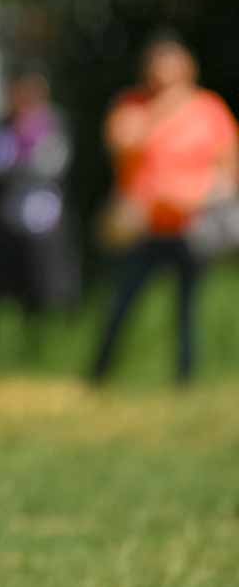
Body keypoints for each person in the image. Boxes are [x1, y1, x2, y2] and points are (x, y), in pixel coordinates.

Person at [90, 33, 239, 385]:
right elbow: (122, 142)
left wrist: (194, 194)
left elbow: (228, 171)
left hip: (192, 226)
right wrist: (167, 106)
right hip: (143, 227)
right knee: (122, 302)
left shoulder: (209, 110)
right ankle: (99, 375)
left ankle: (186, 380)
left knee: (188, 307)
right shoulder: (133, 106)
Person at [0, 67, 73, 373]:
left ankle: (38, 357)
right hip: (1, 227)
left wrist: (17, 169)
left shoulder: (53, 125)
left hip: (42, 229)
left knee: (40, 294)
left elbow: (52, 168)